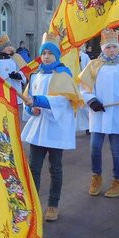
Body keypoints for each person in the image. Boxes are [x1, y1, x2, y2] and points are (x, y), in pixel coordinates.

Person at [21, 31, 83, 221]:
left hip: (56, 129)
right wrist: (31, 109)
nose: (46, 56)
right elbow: (27, 98)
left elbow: (62, 101)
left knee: (55, 168)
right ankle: (32, 204)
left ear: (57, 55)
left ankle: (53, 204)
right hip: (38, 129)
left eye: (50, 53)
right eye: (44, 53)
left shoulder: (63, 75)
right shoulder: (35, 75)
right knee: (34, 168)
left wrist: (37, 101)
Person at [78, 28, 119, 198]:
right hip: (99, 112)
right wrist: (91, 100)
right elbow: (84, 87)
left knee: (116, 148)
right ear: (103, 48)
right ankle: (96, 176)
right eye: (108, 47)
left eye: (114, 47)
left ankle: (118, 181)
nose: (112, 50)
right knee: (95, 147)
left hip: (118, 112)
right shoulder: (93, 65)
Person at [0, 34, 27, 112]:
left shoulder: (16, 58)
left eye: (9, 45)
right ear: (1, 48)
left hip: (15, 93)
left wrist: (18, 76)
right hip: (1, 95)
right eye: (6, 46)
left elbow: (24, 71)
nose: (9, 47)